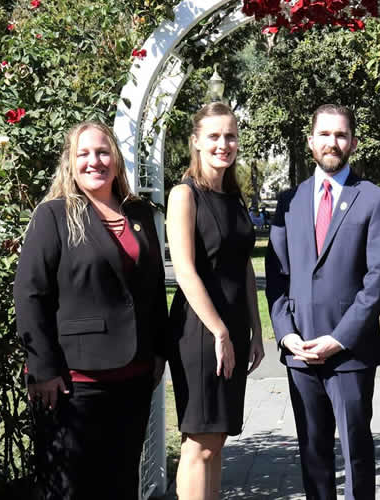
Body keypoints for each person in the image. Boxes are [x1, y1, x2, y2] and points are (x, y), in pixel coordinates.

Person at [14, 121, 168, 500]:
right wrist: (43, 369)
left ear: (115, 158)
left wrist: (158, 352)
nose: (94, 161)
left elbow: (152, 288)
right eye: (83, 153)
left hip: (134, 379)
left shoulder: (140, 214)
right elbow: (30, 293)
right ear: (71, 161)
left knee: (120, 485)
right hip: (74, 384)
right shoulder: (54, 215)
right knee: (72, 489)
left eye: (102, 152)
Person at [265, 104, 380, 499]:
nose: (332, 142)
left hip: (350, 352)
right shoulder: (289, 202)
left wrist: (339, 338)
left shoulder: (373, 200)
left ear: (353, 142)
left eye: (340, 135)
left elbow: (378, 280)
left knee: (356, 449)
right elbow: (277, 277)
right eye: (324, 134)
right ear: (310, 141)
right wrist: (286, 335)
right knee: (312, 451)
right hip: (300, 351)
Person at [167, 102, 265, 500]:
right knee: (200, 441)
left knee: (217, 439)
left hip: (233, 328)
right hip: (199, 330)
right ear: (196, 142)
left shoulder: (234, 196)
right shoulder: (184, 195)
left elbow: (243, 268)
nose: (223, 144)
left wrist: (255, 331)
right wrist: (219, 331)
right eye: (214, 136)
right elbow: (186, 271)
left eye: (230, 136)